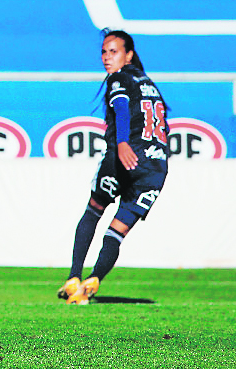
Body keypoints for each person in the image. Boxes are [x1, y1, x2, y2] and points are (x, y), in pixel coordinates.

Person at [60, 29, 169, 305]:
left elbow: (120, 108)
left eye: (113, 51)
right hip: (155, 169)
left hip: (125, 158)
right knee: (116, 232)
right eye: (104, 52)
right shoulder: (150, 84)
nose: (107, 57)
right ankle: (93, 281)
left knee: (94, 211)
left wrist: (122, 144)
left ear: (128, 54)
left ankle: (74, 278)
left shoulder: (119, 78)